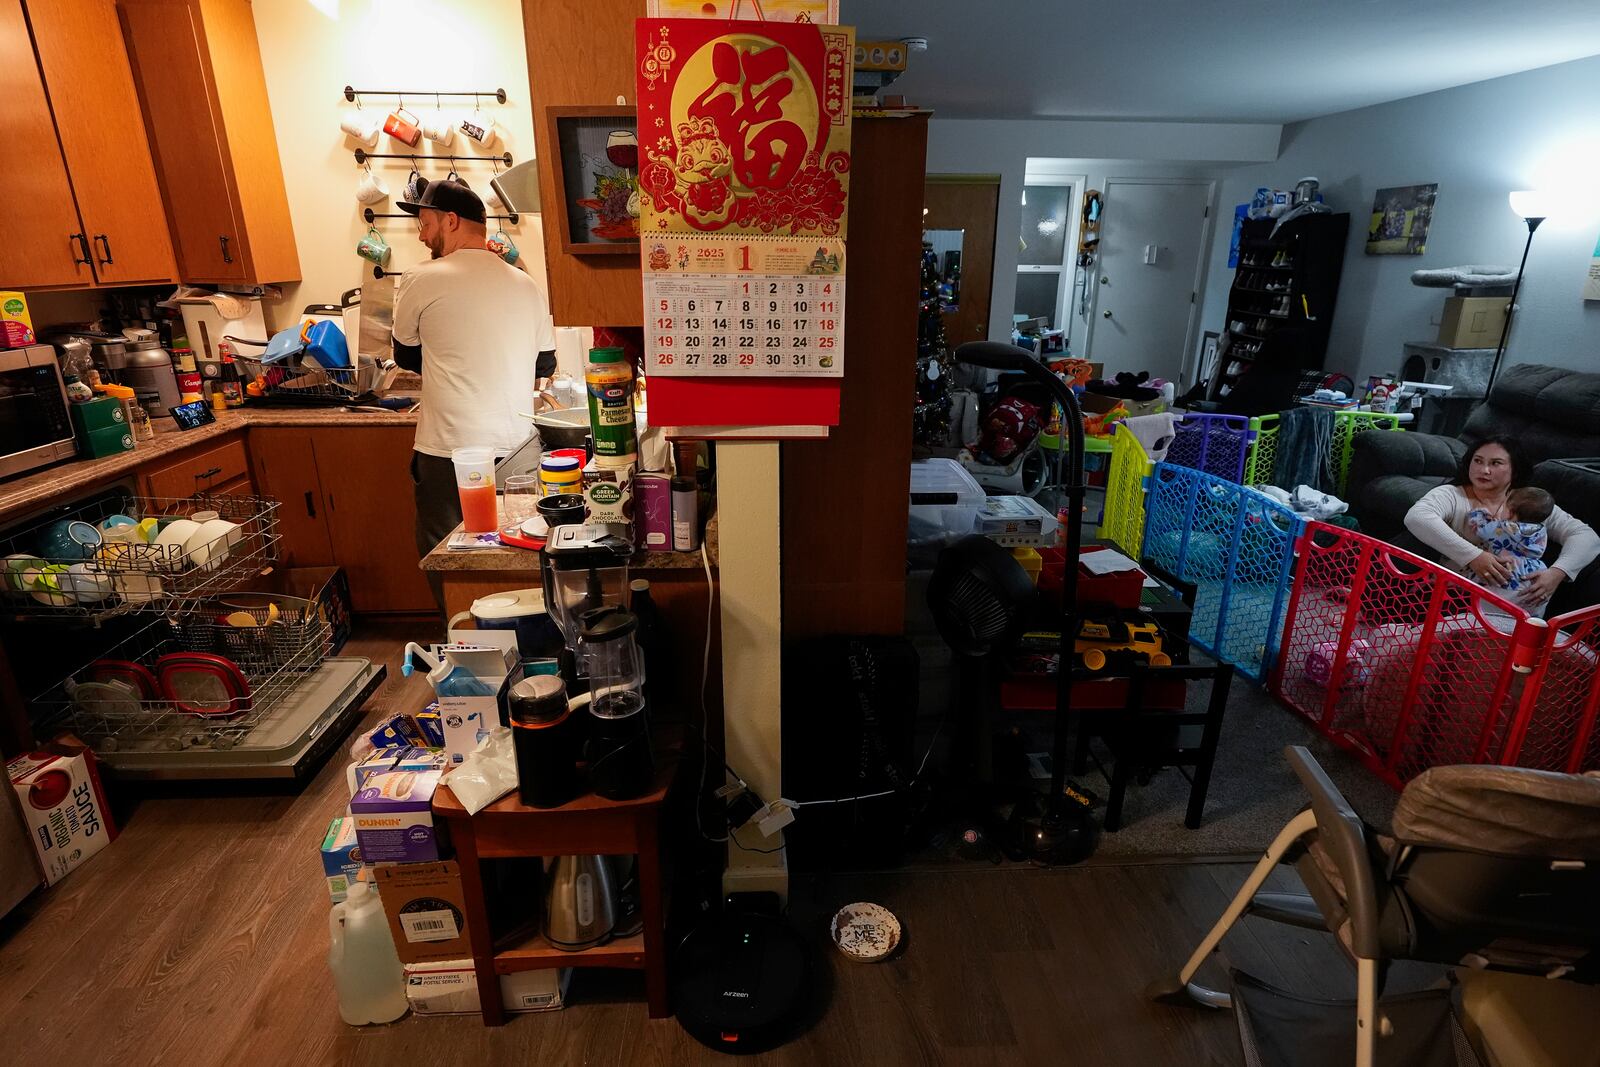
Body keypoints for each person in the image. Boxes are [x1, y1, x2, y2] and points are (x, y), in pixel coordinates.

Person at [391, 179, 556, 608]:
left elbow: (406, 356)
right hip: (517, 450)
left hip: (448, 450)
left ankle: (461, 640)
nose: (422, 236)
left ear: (451, 220)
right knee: (517, 552)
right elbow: (544, 365)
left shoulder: (420, 278)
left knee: (447, 556)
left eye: (425, 224)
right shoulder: (526, 285)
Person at [1403, 435, 1599, 614]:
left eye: (1495, 463)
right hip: (1456, 598)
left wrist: (1558, 573)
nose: (1484, 470)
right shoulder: (1452, 495)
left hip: (1517, 604)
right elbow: (1418, 517)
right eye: (1478, 461)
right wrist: (1474, 556)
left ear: (1515, 469)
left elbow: (1586, 536)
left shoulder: (1528, 504)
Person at [1466, 486, 1554, 594]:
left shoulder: (1502, 528)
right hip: (1531, 573)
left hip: (1503, 573)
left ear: (1510, 513)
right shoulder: (1541, 531)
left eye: (1504, 508)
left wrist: (1479, 511)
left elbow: (1480, 528)